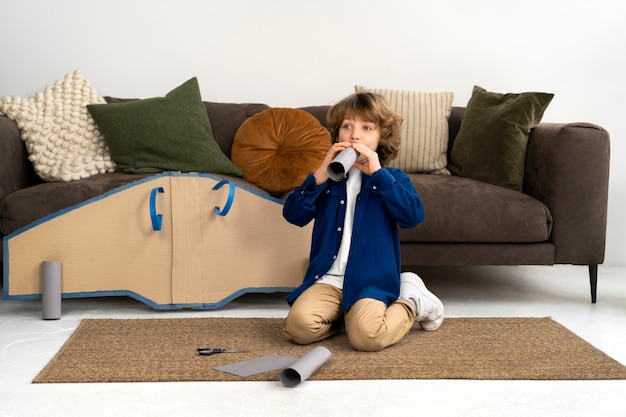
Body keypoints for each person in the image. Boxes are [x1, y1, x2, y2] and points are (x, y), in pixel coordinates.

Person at [282, 92, 444, 352]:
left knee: (367, 338)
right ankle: (348, 318)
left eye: (367, 128)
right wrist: (319, 175)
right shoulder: (326, 181)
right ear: (338, 134)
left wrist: (378, 174)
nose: (354, 135)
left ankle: (412, 301)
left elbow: (413, 217)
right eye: (347, 126)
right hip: (328, 279)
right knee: (298, 328)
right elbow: (293, 215)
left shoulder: (391, 178)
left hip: (370, 281)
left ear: (381, 138)